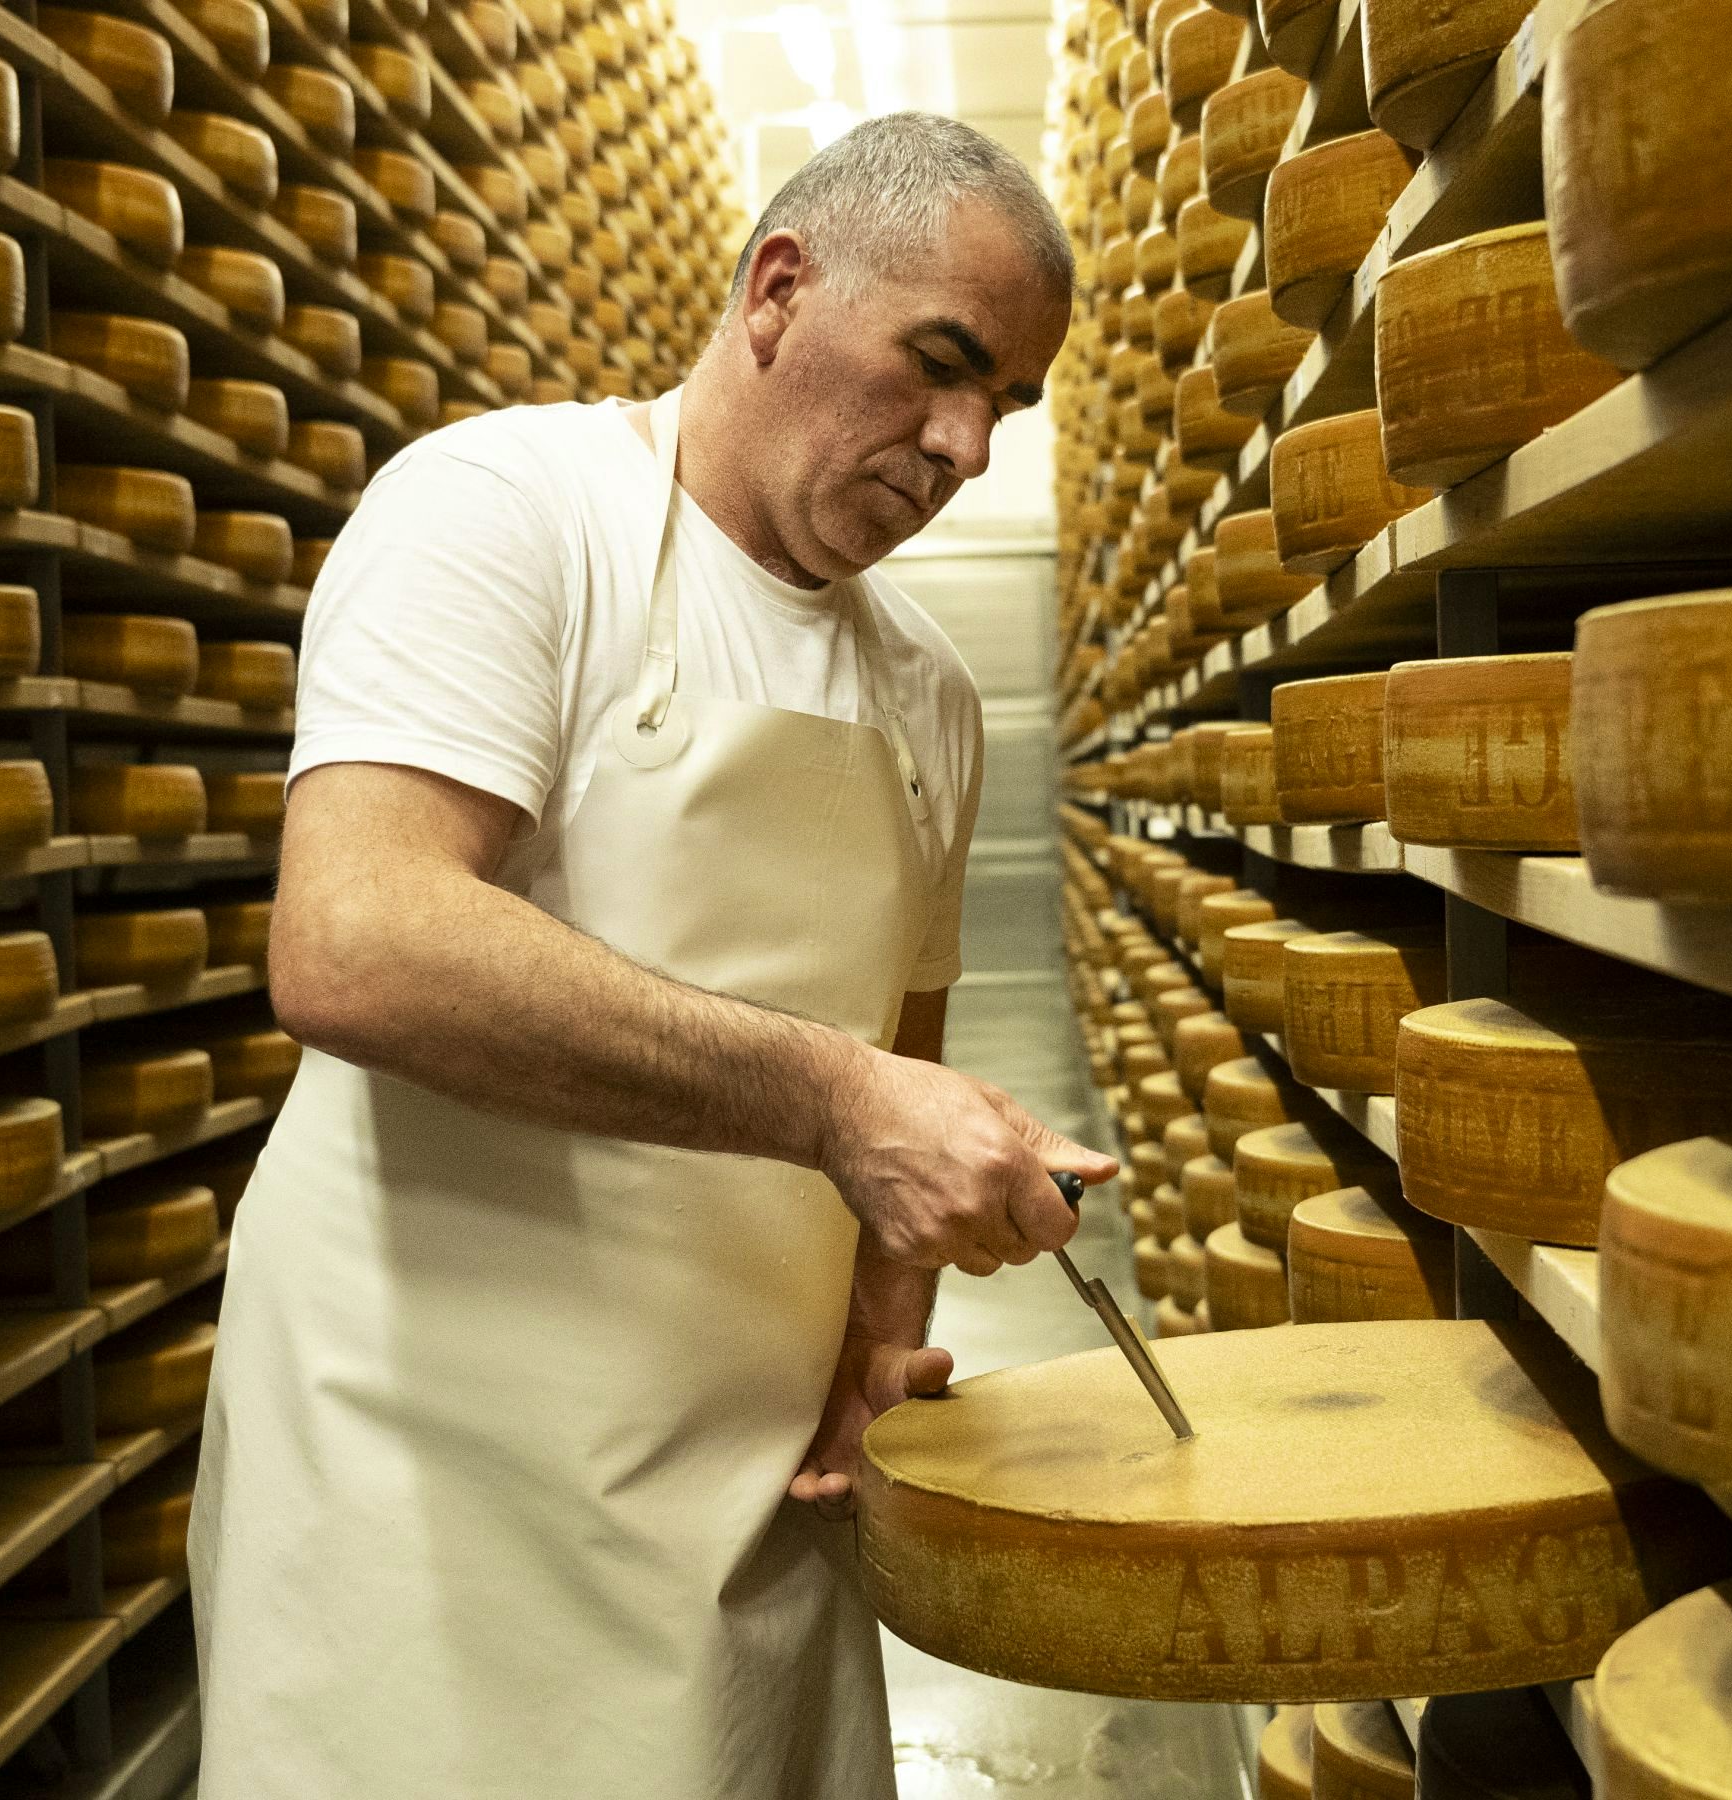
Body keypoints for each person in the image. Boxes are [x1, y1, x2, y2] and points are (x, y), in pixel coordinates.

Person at [187, 114, 1108, 1798]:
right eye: (941, 365)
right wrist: (830, 1099)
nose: (965, 445)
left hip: (748, 1496)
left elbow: (899, 1041)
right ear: (776, 292)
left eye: (1005, 408)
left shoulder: (930, 699)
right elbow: (357, 940)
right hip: (430, 1483)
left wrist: (877, 1345)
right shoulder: (506, 513)